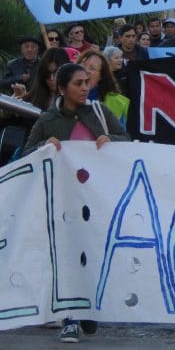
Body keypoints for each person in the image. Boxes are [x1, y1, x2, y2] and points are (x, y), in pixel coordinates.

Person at [22, 62, 130, 343]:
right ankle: (70, 318)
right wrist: (44, 147)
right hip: (62, 202)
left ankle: (87, 308)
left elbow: (126, 140)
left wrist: (110, 139)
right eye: (78, 83)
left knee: (92, 255)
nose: (85, 88)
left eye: (87, 82)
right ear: (62, 88)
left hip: (97, 201)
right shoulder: (47, 120)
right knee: (68, 258)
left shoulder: (100, 112)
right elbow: (27, 154)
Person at [77, 49, 130, 127]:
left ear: (101, 76)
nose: (85, 70)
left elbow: (121, 133)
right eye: (82, 65)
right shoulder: (64, 97)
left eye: (92, 68)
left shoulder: (116, 102)